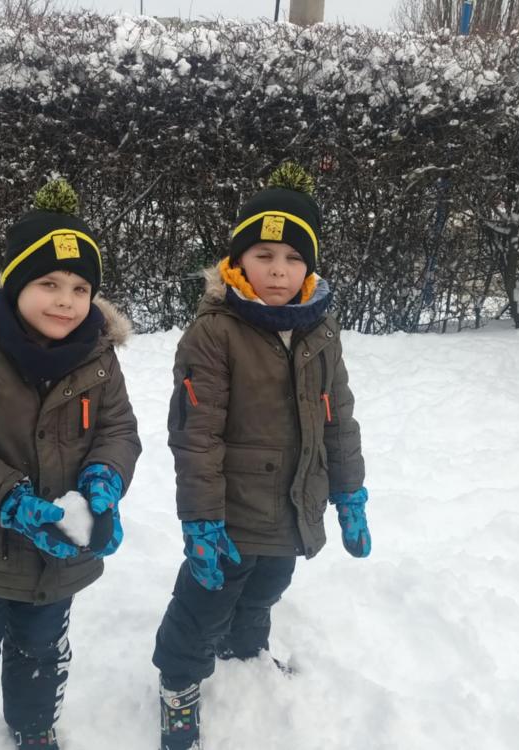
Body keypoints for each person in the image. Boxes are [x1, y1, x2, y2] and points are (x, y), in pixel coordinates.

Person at [0, 179, 142, 750]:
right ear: (16, 284)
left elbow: (118, 431)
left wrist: (104, 481)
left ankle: (34, 727)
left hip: (57, 556)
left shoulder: (99, 361)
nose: (66, 301)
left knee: (42, 652)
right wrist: (11, 501)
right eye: (49, 284)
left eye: (81, 288)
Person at [152, 163, 371, 750]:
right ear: (238, 259)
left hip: (296, 499)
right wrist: (201, 517)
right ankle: (178, 685)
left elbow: (338, 416)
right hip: (229, 508)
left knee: (268, 584)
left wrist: (348, 491)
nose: (278, 270)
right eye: (264, 254)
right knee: (205, 601)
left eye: (294, 258)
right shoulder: (215, 332)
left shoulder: (320, 328)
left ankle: (244, 652)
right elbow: (196, 433)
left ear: (310, 267)